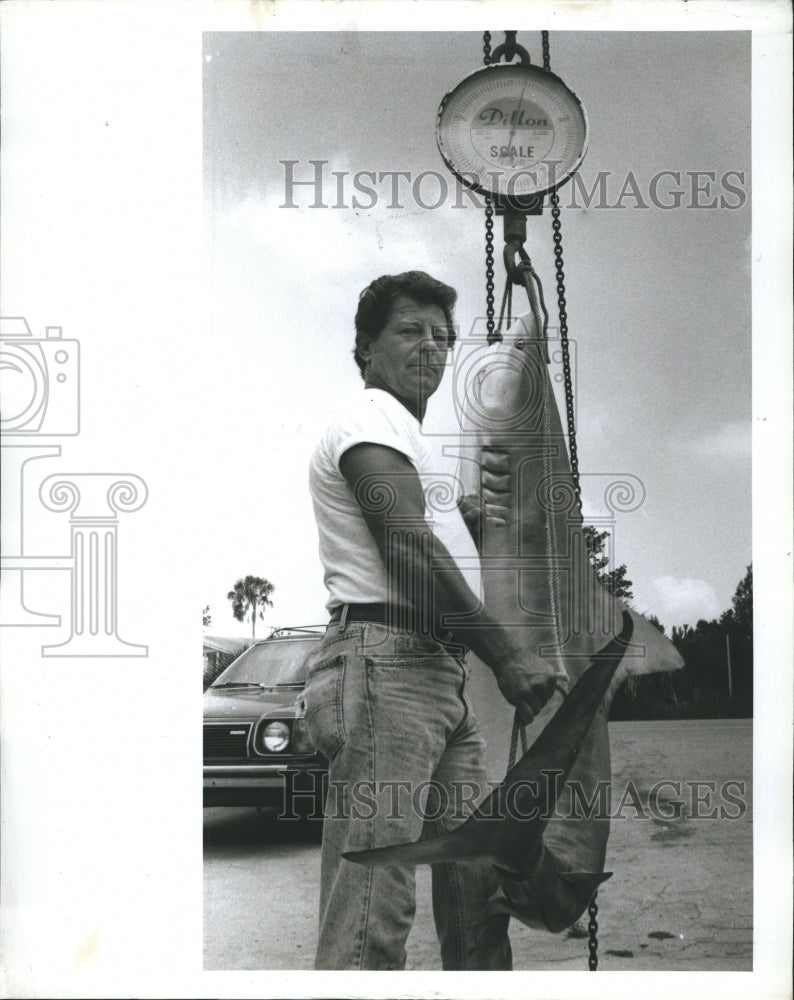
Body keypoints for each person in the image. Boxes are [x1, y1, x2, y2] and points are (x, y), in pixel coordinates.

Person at [304, 270, 558, 970]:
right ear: (366, 350)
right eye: (409, 332)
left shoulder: (412, 443)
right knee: (372, 909)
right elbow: (408, 549)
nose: (431, 349)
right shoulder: (369, 418)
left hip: (434, 674)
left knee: (477, 886)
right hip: (385, 668)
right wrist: (506, 658)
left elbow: (427, 546)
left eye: (442, 338)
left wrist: (478, 537)